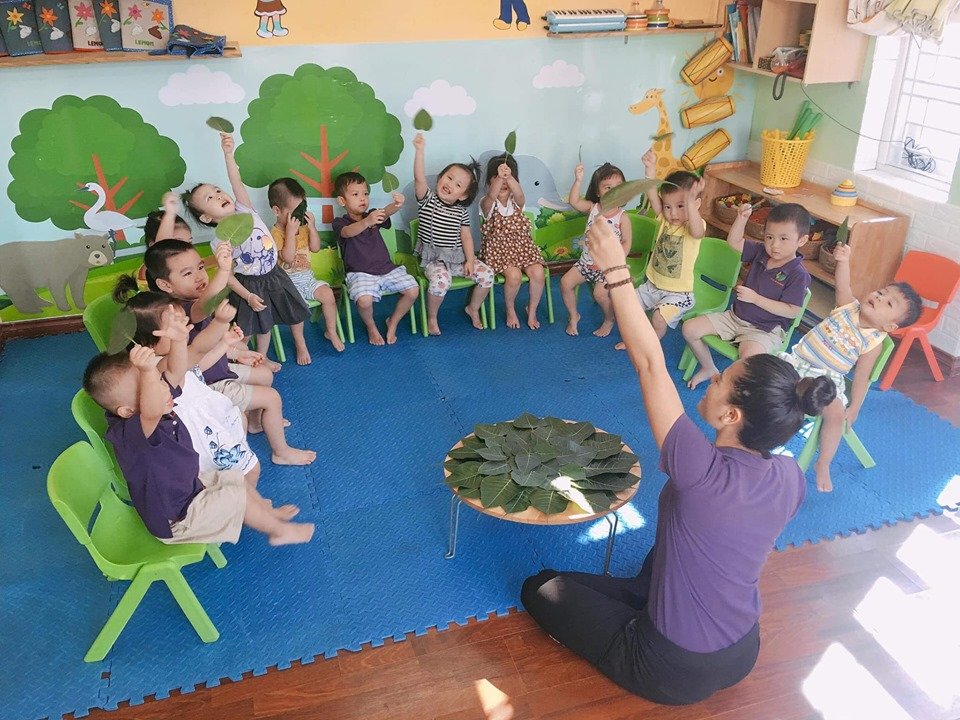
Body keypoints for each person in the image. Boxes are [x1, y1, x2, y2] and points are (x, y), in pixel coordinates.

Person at [521, 217, 837, 705]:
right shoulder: (790, 476)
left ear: (731, 415)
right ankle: (646, 602)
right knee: (662, 558)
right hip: (743, 650)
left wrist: (615, 271)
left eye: (719, 380)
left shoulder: (701, 471)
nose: (711, 381)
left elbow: (650, 363)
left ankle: (636, 622)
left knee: (540, 587)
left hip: (670, 667)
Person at [83, 307, 313, 546]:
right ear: (127, 411)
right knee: (236, 495)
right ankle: (278, 531)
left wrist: (178, 341)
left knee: (235, 479)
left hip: (190, 487)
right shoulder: (132, 432)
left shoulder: (156, 399)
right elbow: (150, 410)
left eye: (158, 381)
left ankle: (266, 515)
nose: (164, 387)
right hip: (176, 518)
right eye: (150, 386)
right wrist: (148, 371)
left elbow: (176, 370)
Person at [136, 242, 316, 466]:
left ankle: (255, 423)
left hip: (218, 367)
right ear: (165, 284)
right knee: (272, 398)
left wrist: (235, 352)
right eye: (187, 273)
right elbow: (204, 314)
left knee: (264, 374)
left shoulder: (188, 301)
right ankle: (281, 452)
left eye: (201, 267)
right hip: (209, 383)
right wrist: (222, 271)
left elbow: (208, 343)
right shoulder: (179, 311)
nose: (199, 276)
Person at [779, 242, 922, 492]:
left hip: (827, 379)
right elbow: (843, 284)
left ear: (889, 327)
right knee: (763, 376)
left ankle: (823, 463)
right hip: (797, 361)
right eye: (882, 292)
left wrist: (854, 407)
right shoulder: (847, 306)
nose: (879, 297)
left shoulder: (874, 342)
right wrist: (843, 260)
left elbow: (862, 377)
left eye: (889, 304)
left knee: (835, 415)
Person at [185, 132, 310, 368]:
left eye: (217, 190)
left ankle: (263, 357)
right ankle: (245, 358)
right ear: (206, 217)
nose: (219, 195)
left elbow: (236, 181)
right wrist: (247, 296)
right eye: (210, 198)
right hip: (250, 285)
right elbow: (228, 276)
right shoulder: (219, 241)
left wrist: (228, 154)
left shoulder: (245, 210)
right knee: (252, 326)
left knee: (269, 322)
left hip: (274, 275)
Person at [683, 202, 813, 389]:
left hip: (764, 330)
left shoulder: (798, 274)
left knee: (748, 362)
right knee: (689, 329)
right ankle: (708, 367)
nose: (774, 245)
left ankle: (727, 384)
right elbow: (734, 242)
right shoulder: (761, 252)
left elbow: (792, 311)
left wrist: (756, 299)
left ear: (802, 240)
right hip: (734, 317)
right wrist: (741, 218)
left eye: (783, 239)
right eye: (769, 237)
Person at [614, 152, 706, 349]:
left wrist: (690, 202)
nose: (673, 213)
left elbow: (698, 232)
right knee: (627, 307)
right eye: (668, 207)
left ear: (695, 205)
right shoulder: (664, 220)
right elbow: (652, 195)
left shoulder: (695, 226)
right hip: (652, 286)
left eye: (681, 206)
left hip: (679, 294)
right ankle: (635, 339)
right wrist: (650, 170)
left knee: (658, 318)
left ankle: (649, 345)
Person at [412, 132, 494, 336]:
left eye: (458, 185)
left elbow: (466, 237)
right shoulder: (427, 200)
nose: (450, 184)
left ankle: (472, 308)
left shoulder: (461, 212)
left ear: (463, 195)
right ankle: (432, 317)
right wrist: (420, 151)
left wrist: (471, 260)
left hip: (457, 258)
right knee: (441, 282)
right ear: (440, 178)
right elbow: (419, 179)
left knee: (487, 275)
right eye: (449, 177)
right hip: (434, 260)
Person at [332, 171, 420, 346]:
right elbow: (347, 233)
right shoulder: (340, 222)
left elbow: (384, 213)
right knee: (364, 301)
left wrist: (397, 205)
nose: (362, 198)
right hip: (359, 273)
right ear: (342, 201)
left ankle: (392, 321)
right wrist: (367, 222)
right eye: (355, 194)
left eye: (365, 193)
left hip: (387, 269)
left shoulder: (371, 215)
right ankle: (371, 326)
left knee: (413, 290)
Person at [268, 177, 344, 363]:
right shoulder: (275, 233)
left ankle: (331, 331)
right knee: (297, 309)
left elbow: (315, 248)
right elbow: (287, 257)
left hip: (308, 278)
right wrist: (289, 233)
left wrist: (312, 227)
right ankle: (300, 344)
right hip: (287, 285)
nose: (298, 217)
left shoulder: (303, 228)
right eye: (294, 212)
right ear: (277, 211)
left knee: (328, 295)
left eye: (301, 209)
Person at [559, 162, 633, 337]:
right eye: (608, 187)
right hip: (586, 263)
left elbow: (626, 241)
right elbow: (574, 201)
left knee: (600, 294)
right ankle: (573, 316)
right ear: (598, 192)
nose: (614, 191)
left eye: (618, 187)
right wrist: (578, 180)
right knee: (565, 283)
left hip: (607, 268)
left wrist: (617, 261)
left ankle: (609, 319)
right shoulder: (593, 208)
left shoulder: (623, 217)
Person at [478, 154, 546, 330]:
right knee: (514, 276)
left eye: (508, 178)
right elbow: (491, 196)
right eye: (497, 178)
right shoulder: (487, 203)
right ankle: (510, 309)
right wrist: (500, 178)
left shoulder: (516, 202)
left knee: (538, 273)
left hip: (523, 249)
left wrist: (508, 176)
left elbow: (520, 194)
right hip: (499, 252)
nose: (503, 182)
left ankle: (532, 310)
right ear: (489, 182)